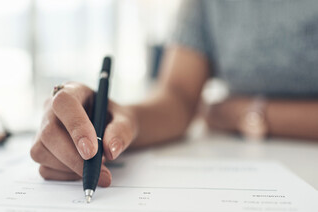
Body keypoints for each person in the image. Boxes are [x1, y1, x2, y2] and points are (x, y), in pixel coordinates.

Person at [30, 0, 318, 187]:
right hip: (244, 159)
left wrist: (248, 113)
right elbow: (178, 95)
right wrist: (122, 119)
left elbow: (210, 110)